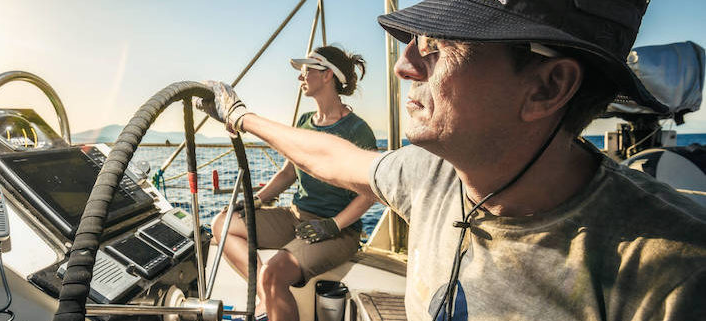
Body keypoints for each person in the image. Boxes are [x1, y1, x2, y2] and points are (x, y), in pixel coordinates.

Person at [196, 0, 706, 320]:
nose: (403, 64)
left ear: (548, 86)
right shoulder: (433, 174)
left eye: (438, 48)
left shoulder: (673, 279)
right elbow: (334, 158)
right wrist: (240, 115)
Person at [206, 45, 377, 321]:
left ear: (327, 76)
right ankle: (266, 297)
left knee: (273, 274)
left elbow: (370, 194)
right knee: (223, 224)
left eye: (307, 69)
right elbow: (288, 173)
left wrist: (333, 224)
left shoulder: (358, 130)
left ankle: (268, 289)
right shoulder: (304, 122)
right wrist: (258, 199)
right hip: (296, 217)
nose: (301, 76)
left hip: (339, 229)